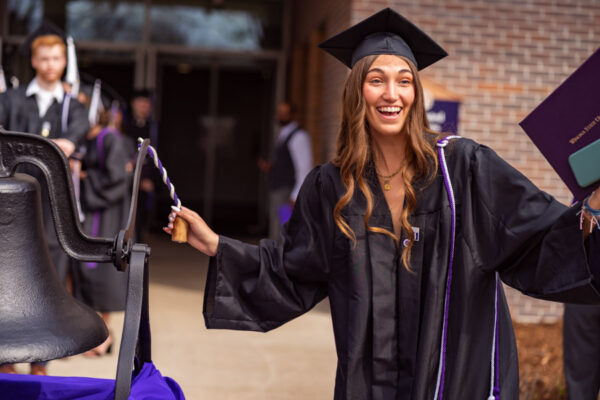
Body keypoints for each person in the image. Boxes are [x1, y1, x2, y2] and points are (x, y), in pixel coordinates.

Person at [165, 8, 600, 399]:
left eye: (404, 80)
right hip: (368, 385)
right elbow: (292, 268)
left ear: (416, 93)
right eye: (377, 80)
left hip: (454, 380)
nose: (392, 93)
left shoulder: (464, 168)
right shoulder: (331, 186)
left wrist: (592, 212)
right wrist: (217, 245)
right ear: (358, 92)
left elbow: (537, 239)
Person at [0, 21, 89, 376]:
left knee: (50, 274)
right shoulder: (10, 101)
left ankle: (42, 360)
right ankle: (5, 357)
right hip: (9, 208)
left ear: (64, 62)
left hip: (53, 208)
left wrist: (67, 145)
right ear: (34, 61)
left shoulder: (73, 108)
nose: (51, 64)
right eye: (45, 58)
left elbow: (75, 136)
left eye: (57, 58)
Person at [72, 104, 129, 357]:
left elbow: (118, 177)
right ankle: (94, 335)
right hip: (91, 209)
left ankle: (104, 336)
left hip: (106, 212)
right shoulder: (88, 138)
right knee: (86, 271)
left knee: (103, 270)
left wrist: (85, 177)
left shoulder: (109, 138)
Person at [258, 101, 313, 240]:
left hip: (287, 191)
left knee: (285, 230)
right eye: (279, 113)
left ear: (293, 115)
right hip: (278, 188)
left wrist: (296, 195)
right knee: (277, 228)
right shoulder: (283, 134)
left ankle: (284, 261)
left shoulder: (299, 136)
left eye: (284, 113)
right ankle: (276, 260)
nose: (281, 116)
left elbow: (304, 167)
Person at [122, 89, 158, 241]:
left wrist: (150, 179)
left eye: (147, 103)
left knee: (141, 217)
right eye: (140, 102)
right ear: (133, 104)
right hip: (126, 179)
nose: (144, 106)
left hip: (145, 181)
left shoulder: (153, 127)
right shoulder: (124, 125)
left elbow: (156, 156)